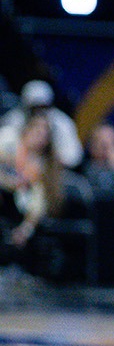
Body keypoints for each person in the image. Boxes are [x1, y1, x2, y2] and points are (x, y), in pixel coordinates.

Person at [1, 112, 67, 261]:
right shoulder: (9, 139)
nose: (39, 137)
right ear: (27, 129)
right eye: (36, 130)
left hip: (17, 209)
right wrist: (9, 174)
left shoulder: (41, 166)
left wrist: (26, 230)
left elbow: (38, 203)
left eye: (44, 135)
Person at [0, 81, 83, 170]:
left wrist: (50, 157)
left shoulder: (62, 123)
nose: (39, 112)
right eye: (35, 108)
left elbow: (74, 157)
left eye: (43, 107)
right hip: (16, 163)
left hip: (52, 168)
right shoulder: (15, 118)